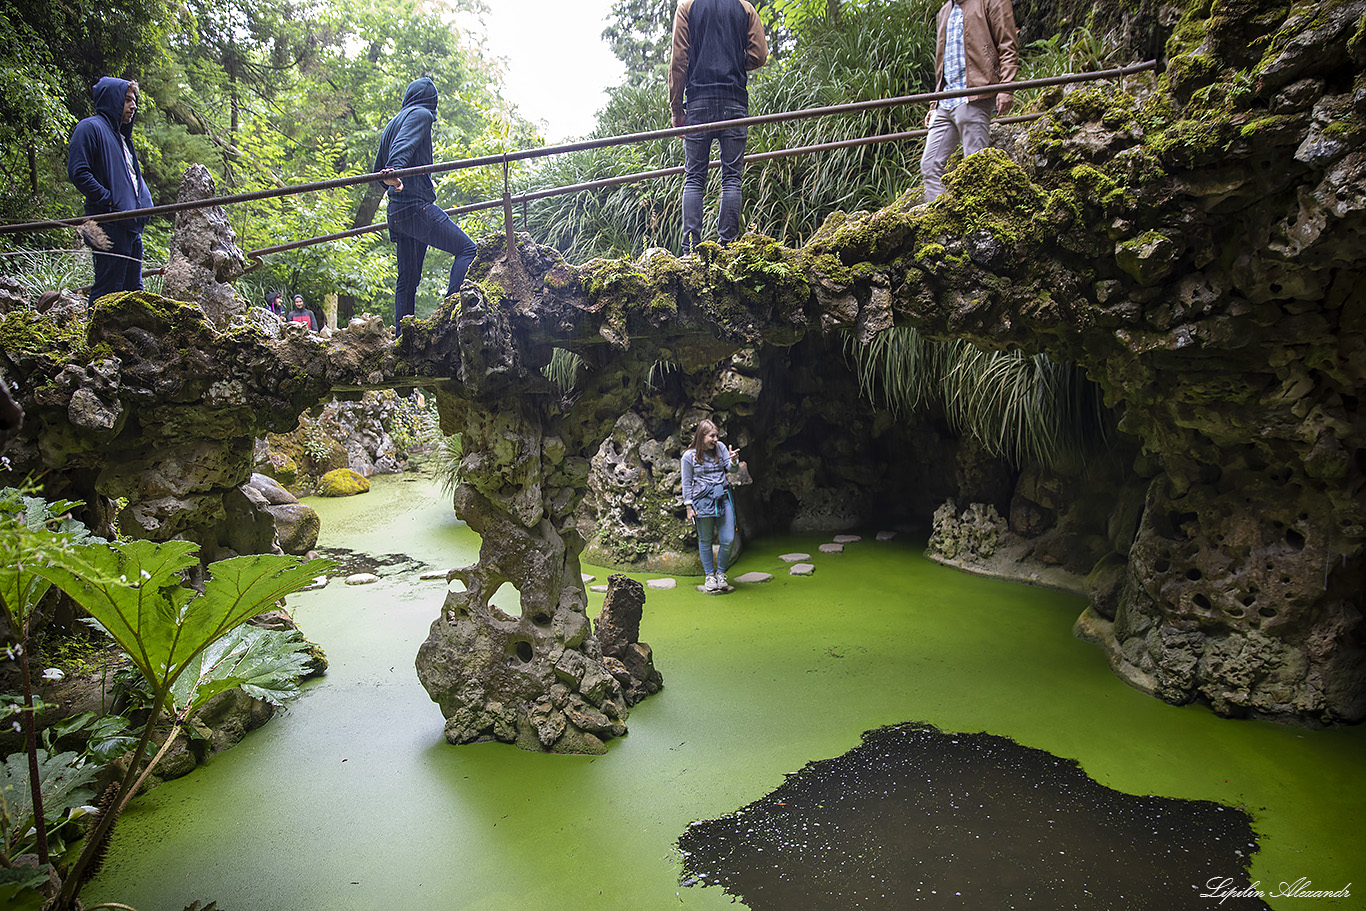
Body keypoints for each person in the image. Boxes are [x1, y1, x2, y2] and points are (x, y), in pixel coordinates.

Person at [374, 76, 477, 331]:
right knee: (468, 250)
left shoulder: (392, 123)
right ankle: (449, 316)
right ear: (432, 102)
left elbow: (377, 170)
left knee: (407, 281)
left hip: (396, 211)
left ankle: (402, 338)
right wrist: (395, 172)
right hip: (415, 207)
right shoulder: (421, 114)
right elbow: (396, 156)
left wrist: (391, 180)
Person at [669, 0, 768, 255]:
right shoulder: (744, 7)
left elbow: (679, 59)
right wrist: (733, 60)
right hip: (734, 101)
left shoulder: (687, 6)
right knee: (731, 178)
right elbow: (760, 55)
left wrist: (677, 110)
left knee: (694, 178)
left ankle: (690, 251)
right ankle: (728, 247)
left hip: (699, 103)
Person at [919, 0, 1019, 204]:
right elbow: (942, 63)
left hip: (975, 94)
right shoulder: (945, 11)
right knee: (930, 166)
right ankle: (942, 220)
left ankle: (981, 222)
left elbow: (1008, 46)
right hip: (945, 100)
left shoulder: (992, 1)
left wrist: (1005, 87)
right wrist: (934, 104)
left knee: (976, 167)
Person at [67, 77, 154, 305]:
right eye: (127, 100)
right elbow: (79, 172)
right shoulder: (90, 128)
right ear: (112, 100)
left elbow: (132, 178)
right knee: (108, 289)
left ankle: (125, 340)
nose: (133, 106)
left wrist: (143, 205)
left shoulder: (123, 138)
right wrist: (107, 200)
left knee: (134, 291)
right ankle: (94, 340)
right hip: (108, 222)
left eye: (134, 101)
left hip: (130, 224)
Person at [682, 419, 742, 592]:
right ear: (701, 437)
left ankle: (721, 573)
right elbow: (686, 483)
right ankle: (709, 576)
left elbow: (731, 470)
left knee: (728, 539)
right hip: (702, 500)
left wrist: (734, 461)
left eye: (717, 436)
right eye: (712, 436)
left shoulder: (721, 448)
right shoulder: (689, 456)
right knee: (706, 539)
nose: (716, 439)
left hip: (722, 497)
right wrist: (688, 507)